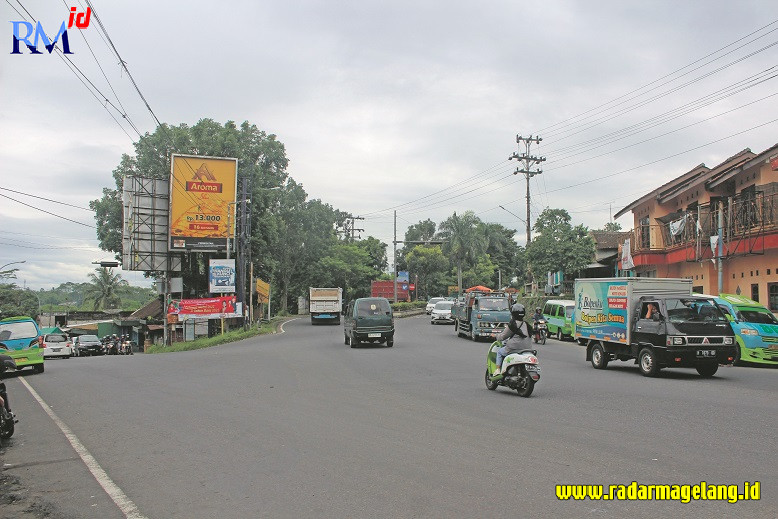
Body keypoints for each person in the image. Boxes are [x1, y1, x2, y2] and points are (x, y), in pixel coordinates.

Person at [493, 303, 533, 376]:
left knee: (499, 352)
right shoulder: (527, 324)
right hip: (528, 348)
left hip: (514, 348)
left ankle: (498, 369)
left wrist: (495, 335)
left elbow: (502, 337)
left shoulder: (513, 324)